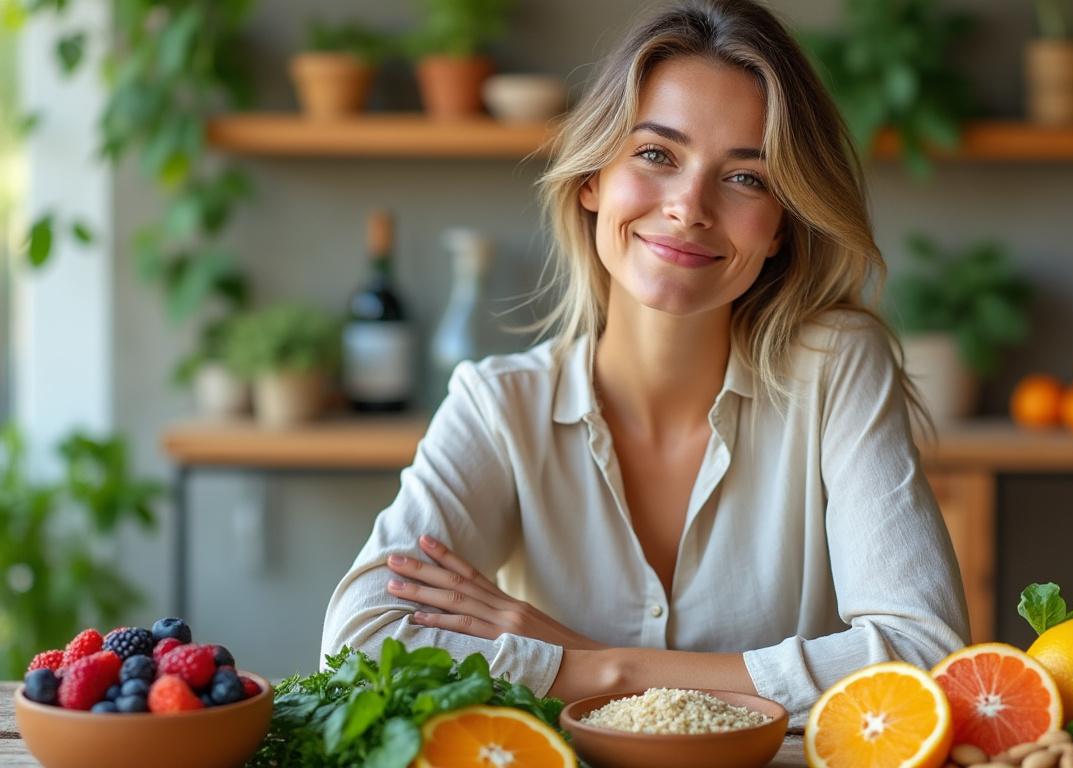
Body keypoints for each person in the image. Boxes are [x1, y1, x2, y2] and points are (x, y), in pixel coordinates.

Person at [321, 0, 968, 727]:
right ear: (592, 178)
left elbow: (925, 656)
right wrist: (608, 669)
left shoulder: (836, 365)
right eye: (657, 154)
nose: (690, 207)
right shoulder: (499, 406)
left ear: (781, 227)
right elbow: (360, 644)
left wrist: (601, 666)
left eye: (747, 178)